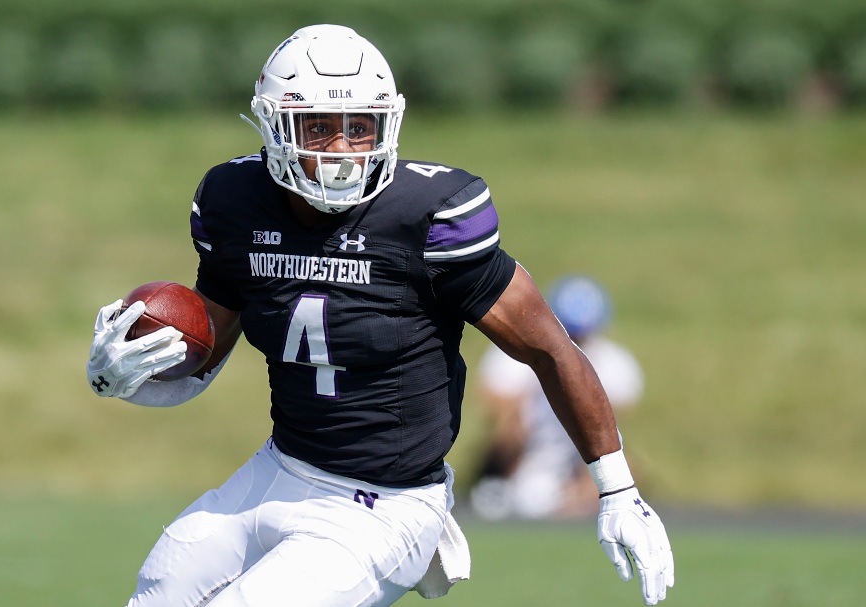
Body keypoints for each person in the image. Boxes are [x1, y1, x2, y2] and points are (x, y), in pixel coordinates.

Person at [87, 24, 674, 607]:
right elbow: (203, 357)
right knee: (162, 585)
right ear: (272, 124)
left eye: (358, 127)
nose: (341, 149)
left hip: (386, 504)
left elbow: (550, 348)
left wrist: (618, 490)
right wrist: (126, 376)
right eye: (318, 126)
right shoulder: (235, 200)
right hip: (281, 469)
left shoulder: (427, 216)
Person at [470, 275, 645, 521]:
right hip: (525, 465)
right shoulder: (514, 355)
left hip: (573, 468)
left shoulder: (614, 364)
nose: (575, 342)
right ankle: (497, 485)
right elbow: (505, 428)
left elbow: (610, 436)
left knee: (627, 468)